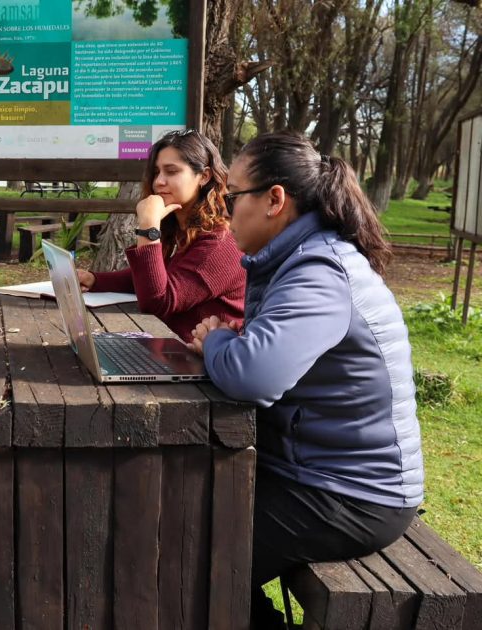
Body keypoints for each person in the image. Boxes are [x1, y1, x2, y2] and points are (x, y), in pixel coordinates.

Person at [188, 131, 424, 629]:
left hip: (354, 494)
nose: (225, 214)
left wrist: (216, 341)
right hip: (317, 473)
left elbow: (253, 375)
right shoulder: (297, 259)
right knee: (182, 515)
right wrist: (231, 343)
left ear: (275, 199)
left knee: (190, 558)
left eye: (232, 198)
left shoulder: (319, 270)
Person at [76, 129, 245, 342]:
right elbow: (156, 276)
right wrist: (95, 280)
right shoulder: (184, 228)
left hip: (209, 357)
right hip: (174, 345)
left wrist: (149, 227)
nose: (158, 182)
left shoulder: (220, 241)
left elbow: (157, 301)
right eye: (156, 172)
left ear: (204, 176)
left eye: (171, 171)